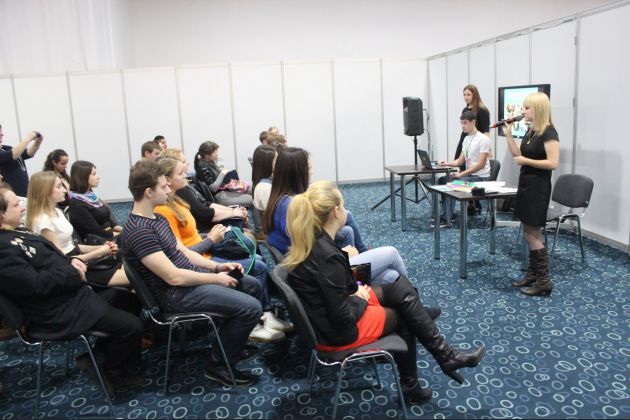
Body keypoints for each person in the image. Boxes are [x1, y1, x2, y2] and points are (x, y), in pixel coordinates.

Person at [283, 180, 486, 404]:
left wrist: (354, 293)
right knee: (405, 316)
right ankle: (418, 380)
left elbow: (334, 289)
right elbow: (343, 318)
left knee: (399, 287)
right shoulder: (327, 256)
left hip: (328, 319)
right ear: (336, 211)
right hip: (339, 333)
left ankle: (446, 355)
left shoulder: (315, 241)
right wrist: (359, 298)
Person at [120, 160, 264, 386]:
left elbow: (184, 253)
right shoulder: (139, 231)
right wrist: (216, 278)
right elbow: (173, 277)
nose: (168, 189)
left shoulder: (157, 218)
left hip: (187, 280)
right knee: (251, 308)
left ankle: (231, 344)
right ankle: (219, 366)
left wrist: (217, 267)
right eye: (163, 186)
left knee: (252, 285)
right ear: (148, 192)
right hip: (174, 294)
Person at [0, 184, 143, 391]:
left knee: (132, 300)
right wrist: (73, 271)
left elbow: (51, 259)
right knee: (132, 327)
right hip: (56, 312)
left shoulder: (17, 232)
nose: (23, 207)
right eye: (15, 205)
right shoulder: (3, 249)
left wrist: (72, 262)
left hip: (70, 295)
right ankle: (113, 372)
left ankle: (98, 357)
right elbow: (36, 285)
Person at [154, 157, 291, 341]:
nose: (186, 176)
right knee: (258, 267)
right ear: (167, 180)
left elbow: (190, 236)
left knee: (256, 260)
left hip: (204, 254)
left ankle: (264, 314)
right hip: (197, 262)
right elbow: (181, 255)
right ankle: (258, 319)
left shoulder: (177, 201)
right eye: (180, 173)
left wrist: (214, 236)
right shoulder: (163, 211)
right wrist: (211, 240)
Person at [265, 148, 407, 285]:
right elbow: (312, 247)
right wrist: (343, 255)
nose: (312, 172)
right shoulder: (290, 206)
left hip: (309, 267)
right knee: (392, 254)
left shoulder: (282, 200)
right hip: (316, 271)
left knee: (391, 276)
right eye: (309, 168)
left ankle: (361, 267)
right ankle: (361, 264)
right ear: (297, 173)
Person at [26, 171, 132, 291]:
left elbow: (73, 246)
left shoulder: (57, 212)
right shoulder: (43, 221)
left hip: (80, 259)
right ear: (45, 191)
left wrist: (102, 248)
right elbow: (62, 260)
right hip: (75, 268)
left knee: (131, 267)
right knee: (135, 276)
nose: (65, 190)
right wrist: (100, 252)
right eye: (59, 186)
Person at [504, 92, 559, 296]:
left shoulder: (549, 133)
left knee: (532, 233)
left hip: (538, 188)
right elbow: (518, 155)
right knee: (529, 232)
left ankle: (544, 280)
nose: (523, 111)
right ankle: (533, 274)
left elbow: (553, 163)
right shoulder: (531, 131)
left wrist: (527, 161)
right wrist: (509, 135)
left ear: (539, 109)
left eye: (527, 108)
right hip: (526, 185)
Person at [437, 110, 491, 223]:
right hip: (470, 175)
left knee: (453, 183)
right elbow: (460, 161)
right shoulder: (466, 139)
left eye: (465, 123)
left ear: (473, 122)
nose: (462, 126)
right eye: (461, 123)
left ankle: (446, 217)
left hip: (481, 178)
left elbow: (481, 165)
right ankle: (448, 213)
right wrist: (446, 163)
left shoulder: (483, 139)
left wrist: (461, 174)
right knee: (442, 180)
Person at [68, 161, 122, 242]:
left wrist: (121, 229)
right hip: (98, 241)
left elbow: (108, 221)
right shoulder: (76, 204)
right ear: (83, 177)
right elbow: (97, 232)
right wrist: (121, 234)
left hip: (108, 232)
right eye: (94, 174)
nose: (98, 177)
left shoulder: (89, 195)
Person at [194, 141, 253, 208]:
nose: (217, 154)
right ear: (207, 156)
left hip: (225, 189)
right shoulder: (203, 168)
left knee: (253, 190)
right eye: (215, 152)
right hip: (219, 196)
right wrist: (223, 173)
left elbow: (218, 176)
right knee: (253, 200)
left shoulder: (210, 163)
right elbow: (213, 188)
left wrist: (219, 165)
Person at [0, 125, 43, 197]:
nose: (2, 134)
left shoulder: (6, 148)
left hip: (25, 193)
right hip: (13, 196)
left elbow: (29, 153)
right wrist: (28, 138)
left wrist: (37, 142)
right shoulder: (11, 152)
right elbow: (14, 154)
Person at [251, 145, 277, 239]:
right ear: (268, 163)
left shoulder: (263, 180)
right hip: (272, 233)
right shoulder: (265, 186)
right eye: (276, 159)